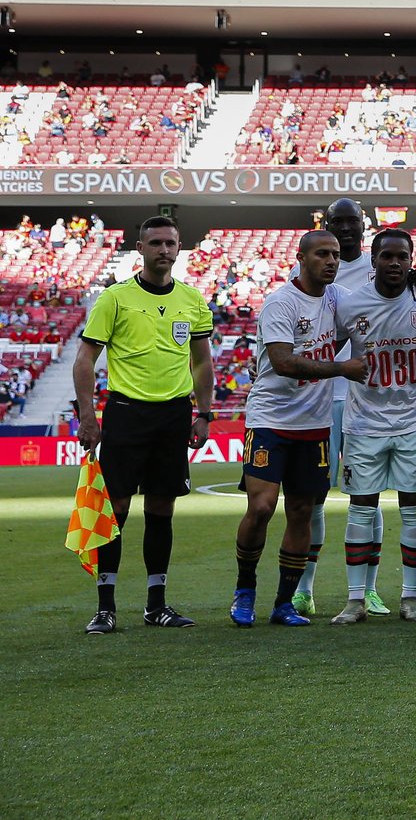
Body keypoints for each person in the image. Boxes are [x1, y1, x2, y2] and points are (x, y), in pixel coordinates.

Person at [71, 217, 215, 634]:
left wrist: (203, 413)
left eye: (169, 243)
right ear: (140, 247)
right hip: (126, 414)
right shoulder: (115, 298)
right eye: (155, 243)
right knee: (115, 512)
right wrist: (87, 415)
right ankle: (105, 607)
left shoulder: (192, 299)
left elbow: (202, 361)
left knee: (161, 509)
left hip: (173, 416)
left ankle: (157, 605)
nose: (163, 250)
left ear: (179, 246)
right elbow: (85, 359)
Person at [232, 231, 366, 627]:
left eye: (336, 255)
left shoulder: (338, 297)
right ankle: (244, 590)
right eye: (322, 254)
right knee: (260, 508)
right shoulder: (280, 302)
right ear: (301, 257)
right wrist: (342, 368)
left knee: (303, 511)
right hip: (271, 419)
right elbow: (284, 362)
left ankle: (284, 602)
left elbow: (371, 308)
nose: (331, 261)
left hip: (315, 423)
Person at [331, 227, 416, 624]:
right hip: (364, 422)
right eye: (386, 256)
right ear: (373, 260)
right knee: (361, 507)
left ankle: (410, 597)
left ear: (411, 260)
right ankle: (356, 599)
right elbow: (328, 347)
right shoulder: (353, 306)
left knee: (413, 506)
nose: (394, 263)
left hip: (414, 421)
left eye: (401, 256)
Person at [294, 197, 374, 616]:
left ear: (363, 225)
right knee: (315, 494)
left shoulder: (382, 263)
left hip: (368, 396)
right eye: (335, 222)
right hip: (323, 396)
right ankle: (305, 587)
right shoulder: (308, 269)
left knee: (367, 494)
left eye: (351, 222)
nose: (344, 229)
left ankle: (370, 589)